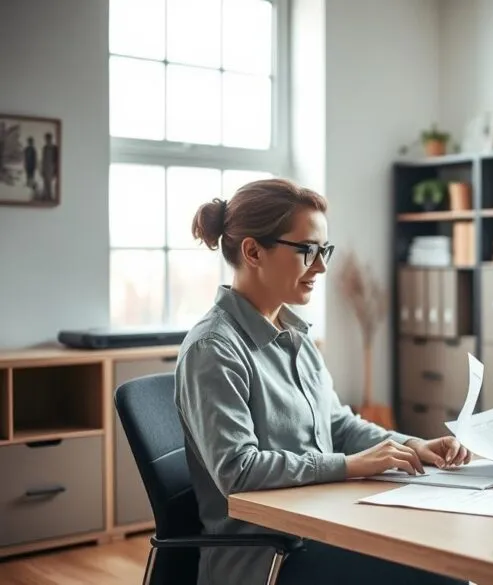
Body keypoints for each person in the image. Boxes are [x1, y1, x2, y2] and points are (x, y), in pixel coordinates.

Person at [177, 178, 471, 585]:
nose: (321, 267)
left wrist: (412, 446)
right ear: (253, 251)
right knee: (439, 574)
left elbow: (337, 424)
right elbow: (238, 470)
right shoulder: (213, 349)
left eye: (324, 250)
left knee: (446, 553)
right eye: (307, 251)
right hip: (271, 559)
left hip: (324, 526)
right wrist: (349, 466)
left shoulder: (296, 334)